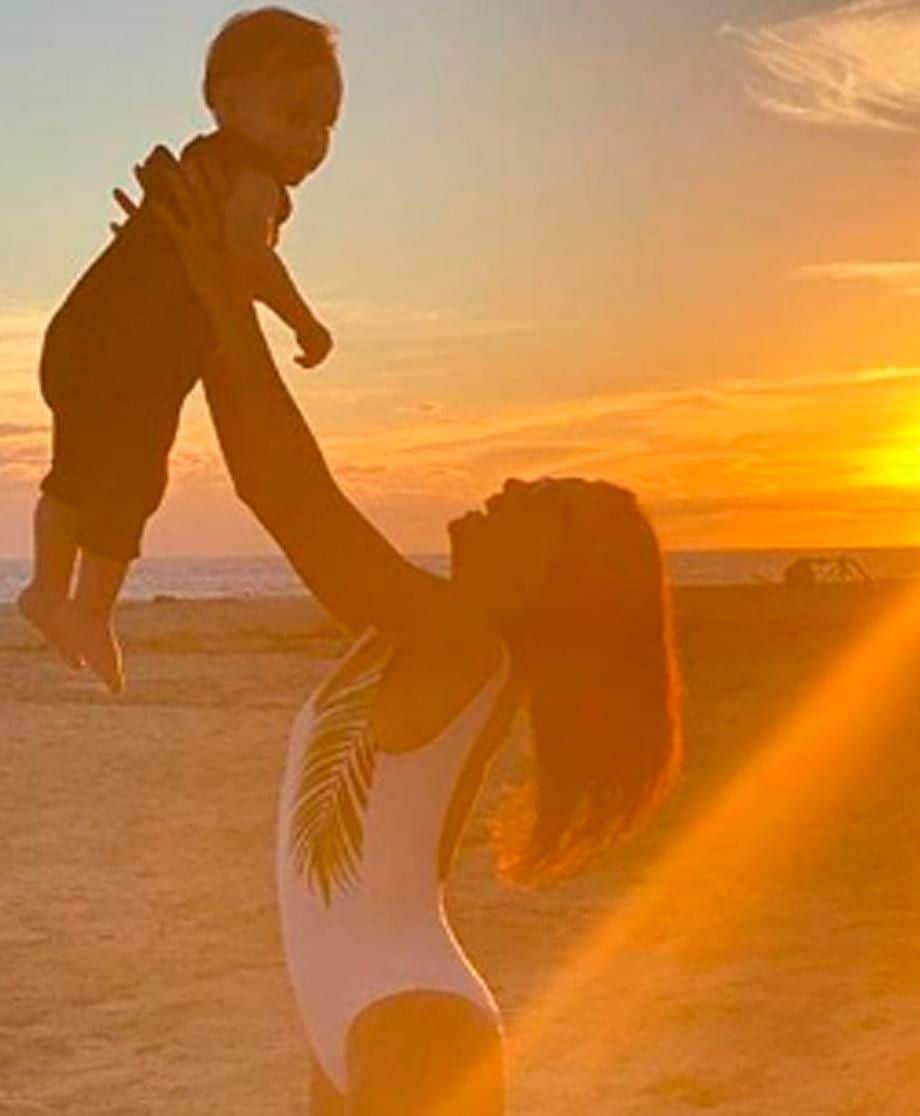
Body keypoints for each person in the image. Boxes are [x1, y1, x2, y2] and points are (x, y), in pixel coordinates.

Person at [123, 146, 684, 1115]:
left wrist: (212, 290)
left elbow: (286, 493)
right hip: (351, 1016)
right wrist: (207, 298)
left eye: (539, 502)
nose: (507, 486)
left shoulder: (459, 646)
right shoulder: (421, 641)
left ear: (558, 579)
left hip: (409, 1022)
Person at [19, 7, 341, 693]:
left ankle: (49, 591)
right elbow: (248, 259)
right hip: (137, 360)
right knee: (132, 484)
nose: (312, 138)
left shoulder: (195, 162)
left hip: (82, 334)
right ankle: (89, 610)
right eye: (294, 114)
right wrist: (304, 321)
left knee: (74, 473)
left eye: (325, 123)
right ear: (227, 101)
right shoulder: (252, 178)